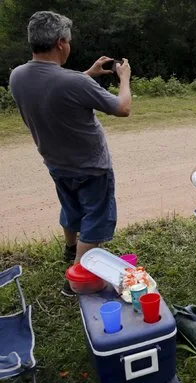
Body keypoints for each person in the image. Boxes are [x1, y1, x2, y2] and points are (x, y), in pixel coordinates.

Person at [9, 11, 132, 296]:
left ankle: (69, 250)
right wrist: (123, 78)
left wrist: (88, 74)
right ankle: (75, 280)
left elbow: (53, 85)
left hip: (56, 163)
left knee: (72, 208)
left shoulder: (18, 76)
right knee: (95, 219)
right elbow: (123, 108)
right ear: (61, 43)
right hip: (91, 167)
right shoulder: (75, 83)